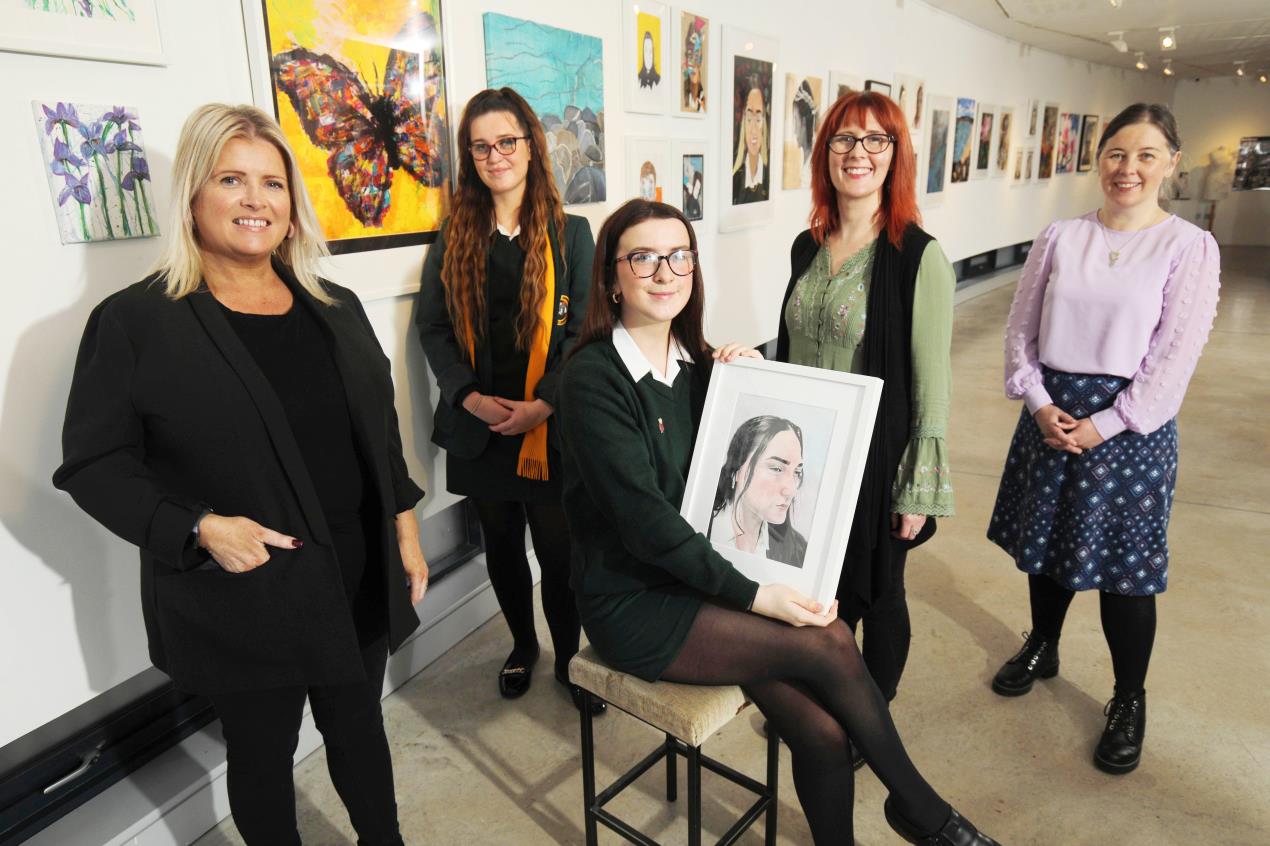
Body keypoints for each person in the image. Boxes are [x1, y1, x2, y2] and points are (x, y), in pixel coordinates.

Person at [558, 198, 997, 846]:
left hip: (702, 579)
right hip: (635, 600)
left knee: (822, 733)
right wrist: (760, 594)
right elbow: (647, 524)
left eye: (678, 255)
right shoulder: (593, 378)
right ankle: (925, 814)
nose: (663, 271)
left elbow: (734, 465)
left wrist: (758, 383)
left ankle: (889, 823)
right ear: (610, 277)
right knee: (827, 636)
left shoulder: (698, 363)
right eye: (642, 257)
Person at [51, 104, 427, 846]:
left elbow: (379, 432)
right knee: (262, 755)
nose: (256, 200)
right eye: (231, 179)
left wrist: (406, 533)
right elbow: (94, 464)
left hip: (354, 573)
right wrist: (197, 529)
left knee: (360, 731)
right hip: (244, 590)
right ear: (193, 195)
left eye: (273, 184)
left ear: (293, 206)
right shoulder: (137, 322)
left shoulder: (335, 306)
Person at [987, 103, 1220, 775]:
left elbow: (1173, 361)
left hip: (1130, 431)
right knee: (1047, 547)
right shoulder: (1061, 236)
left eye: (1147, 155)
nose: (1129, 168)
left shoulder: (1187, 246)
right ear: (1099, 159)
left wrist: (1107, 423)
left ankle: (1127, 697)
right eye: (1118, 153)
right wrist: (1037, 402)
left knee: (1126, 574)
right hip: (1051, 414)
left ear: (1171, 163)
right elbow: (1019, 331)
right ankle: (1044, 643)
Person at [416, 87, 600, 713]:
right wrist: (466, 397)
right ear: (470, 157)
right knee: (501, 549)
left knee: (558, 551)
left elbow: (585, 332)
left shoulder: (572, 235)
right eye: (481, 146)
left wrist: (545, 404)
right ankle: (523, 645)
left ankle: (572, 657)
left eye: (507, 142)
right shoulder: (455, 236)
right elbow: (434, 327)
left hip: (549, 428)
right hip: (480, 430)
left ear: (531, 145)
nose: (495, 155)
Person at [776, 91, 956, 709]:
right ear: (825, 154)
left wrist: (916, 488)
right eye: (844, 139)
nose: (858, 153)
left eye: (875, 140)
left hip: (876, 461)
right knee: (817, 585)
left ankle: (871, 712)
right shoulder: (808, 247)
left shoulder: (918, 258)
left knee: (879, 594)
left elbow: (932, 383)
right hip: (807, 457)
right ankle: (826, 694)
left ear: (895, 155)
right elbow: (791, 348)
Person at [708, 415, 809, 567]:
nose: (791, 490)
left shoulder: (797, 551)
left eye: (796, 472)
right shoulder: (700, 527)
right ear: (736, 470)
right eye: (776, 468)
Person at [731, 76, 769, 204]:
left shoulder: (770, 176)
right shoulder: (734, 178)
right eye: (749, 119)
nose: (753, 130)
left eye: (758, 119)